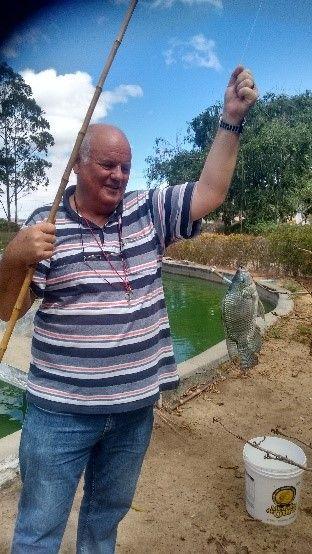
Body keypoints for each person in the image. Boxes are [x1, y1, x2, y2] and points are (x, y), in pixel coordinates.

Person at [0, 65, 258, 553]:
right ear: (78, 165)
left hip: (134, 411)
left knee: (104, 523)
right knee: (38, 528)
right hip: (60, 414)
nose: (119, 175)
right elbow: (2, 308)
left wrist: (231, 119)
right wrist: (13, 256)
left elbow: (210, 192)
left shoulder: (147, 211)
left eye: (126, 166)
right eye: (107, 165)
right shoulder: (45, 227)